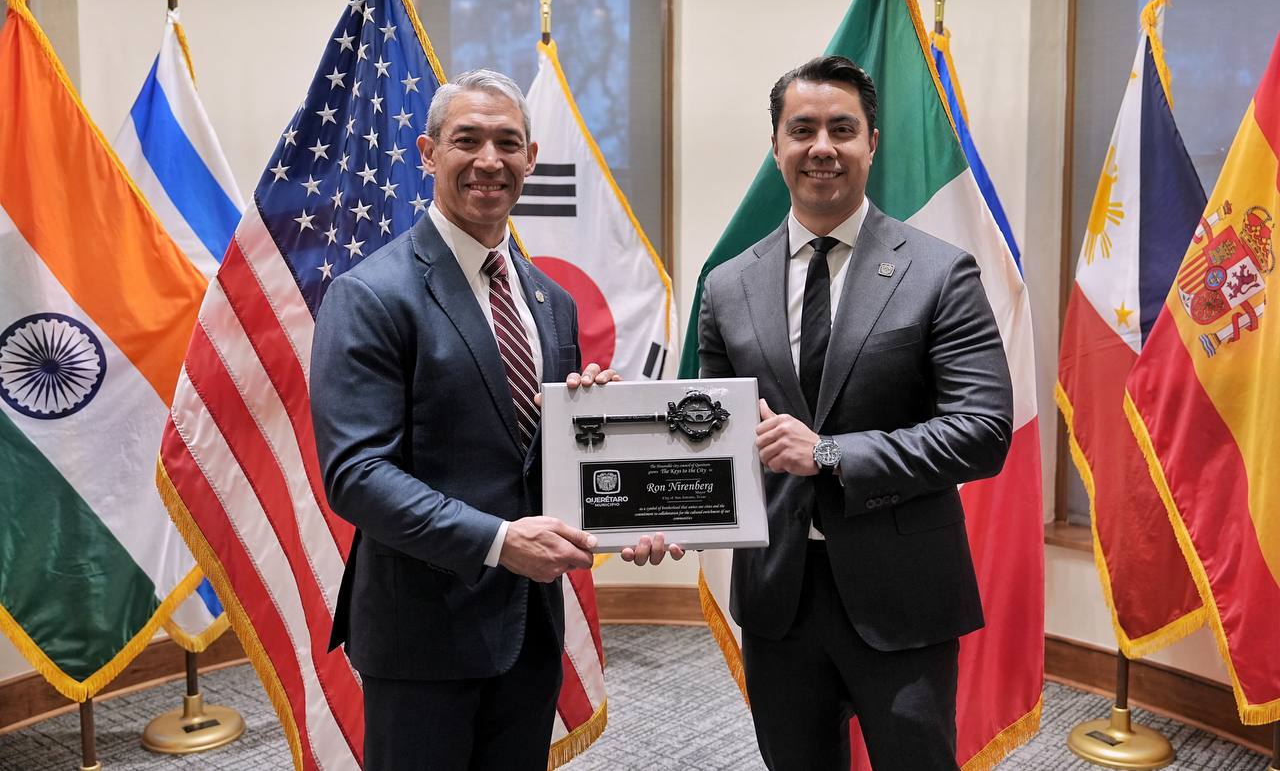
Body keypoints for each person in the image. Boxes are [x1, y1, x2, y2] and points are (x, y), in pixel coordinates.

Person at [694, 55, 1013, 770]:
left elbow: (982, 432)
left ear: (872, 142)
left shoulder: (940, 271)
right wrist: (660, 501)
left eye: (842, 129)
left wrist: (831, 454)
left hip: (902, 592)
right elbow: (711, 433)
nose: (822, 147)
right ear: (775, 145)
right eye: (801, 129)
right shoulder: (727, 285)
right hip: (778, 597)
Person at [311, 69, 623, 771]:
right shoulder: (370, 295)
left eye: (508, 143)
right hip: (423, 635)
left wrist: (600, 445)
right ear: (428, 153)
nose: (490, 160)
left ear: (531, 159)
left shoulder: (551, 301)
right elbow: (356, 474)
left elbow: (539, 457)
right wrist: (498, 541)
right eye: (467, 140)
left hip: (530, 630)